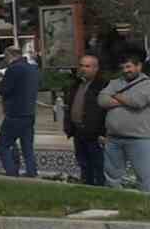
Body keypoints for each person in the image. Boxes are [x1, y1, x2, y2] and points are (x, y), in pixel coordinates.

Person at [100, 48, 150, 190]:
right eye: (123, 67)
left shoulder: (147, 84)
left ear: (139, 66)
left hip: (139, 139)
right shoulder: (115, 82)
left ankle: (145, 207)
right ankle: (115, 205)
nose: (126, 70)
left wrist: (115, 96)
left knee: (145, 177)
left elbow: (137, 102)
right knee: (112, 177)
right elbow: (102, 100)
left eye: (129, 66)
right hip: (114, 138)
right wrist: (123, 99)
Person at [64, 54, 109, 186]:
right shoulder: (77, 84)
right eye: (81, 65)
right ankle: (87, 187)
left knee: (98, 166)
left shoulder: (103, 86)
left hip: (95, 135)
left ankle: (101, 191)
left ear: (96, 68)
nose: (83, 69)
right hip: (78, 132)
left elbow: (106, 111)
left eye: (87, 66)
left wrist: (103, 132)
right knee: (84, 164)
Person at [0, 46, 40, 177]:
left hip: (15, 113)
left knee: (3, 145)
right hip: (29, 113)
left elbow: (4, 90)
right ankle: (31, 172)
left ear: (9, 55)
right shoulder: (33, 69)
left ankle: (11, 172)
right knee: (27, 147)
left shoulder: (13, 69)